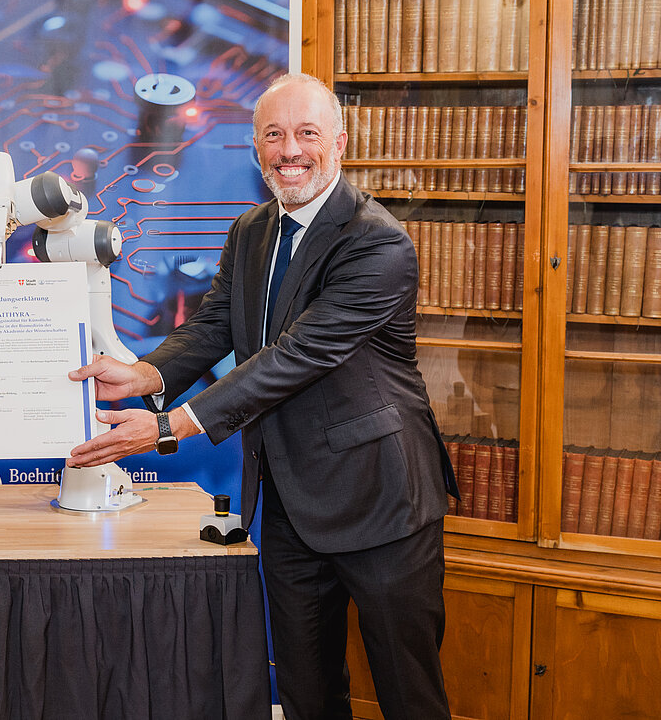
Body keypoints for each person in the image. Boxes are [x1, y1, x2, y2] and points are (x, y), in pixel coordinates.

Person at [67, 72, 457, 720]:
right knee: (306, 693)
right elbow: (218, 322)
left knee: (408, 695)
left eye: (306, 133)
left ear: (339, 143)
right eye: (273, 135)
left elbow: (297, 357)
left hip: (382, 502)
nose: (289, 150)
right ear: (254, 149)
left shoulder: (376, 241)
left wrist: (169, 427)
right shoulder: (251, 228)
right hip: (288, 501)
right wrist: (146, 376)